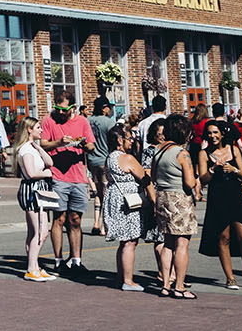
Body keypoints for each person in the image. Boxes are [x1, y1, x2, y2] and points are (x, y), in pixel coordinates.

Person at [197, 119, 242, 289]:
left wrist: (234, 170)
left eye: (215, 132)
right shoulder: (204, 153)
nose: (212, 136)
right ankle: (230, 277)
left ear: (222, 134)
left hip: (236, 196)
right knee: (224, 237)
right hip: (218, 197)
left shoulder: (234, 149)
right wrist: (212, 169)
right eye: (209, 133)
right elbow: (203, 179)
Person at [39, 101, 95, 273]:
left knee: (75, 220)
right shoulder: (49, 121)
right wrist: (59, 142)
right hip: (58, 176)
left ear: (73, 108)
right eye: (58, 109)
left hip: (78, 177)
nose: (61, 113)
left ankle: (76, 260)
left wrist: (83, 145)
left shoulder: (82, 122)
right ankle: (58, 260)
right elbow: (43, 144)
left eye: (64, 110)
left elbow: (92, 146)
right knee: (59, 218)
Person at [103, 123, 158, 292]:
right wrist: (154, 201)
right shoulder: (126, 158)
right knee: (130, 241)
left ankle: (121, 277)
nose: (132, 141)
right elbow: (145, 179)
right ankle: (128, 280)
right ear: (120, 140)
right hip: (129, 202)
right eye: (129, 138)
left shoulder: (110, 157)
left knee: (123, 241)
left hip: (115, 199)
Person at [151, 117, 199, 299]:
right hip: (179, 198)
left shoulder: (159, 151)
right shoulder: (182, 153)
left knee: (167, 243)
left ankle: (165, 284)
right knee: (182, 244)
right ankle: (179, 285)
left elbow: (154, 177)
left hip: (163, 196)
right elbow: (189, 182)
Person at [12, 116, 57, 282]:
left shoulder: (32, 148)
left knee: (34, 231)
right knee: (41, 231)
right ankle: (31, 268)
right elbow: (31, 173)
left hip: (40, 189)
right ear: (29, 129)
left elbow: (50, 162)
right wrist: (46, 173)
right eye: (38, 127)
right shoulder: (25, 150)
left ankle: (35, 266)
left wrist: (39, 148)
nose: (42, 130)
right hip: (33, 190)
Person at [85, 99, 118, 233]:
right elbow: (115, 139)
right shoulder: (109, 122)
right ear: (104, 108)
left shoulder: (88, 121)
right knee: (106, 192)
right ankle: (105, 225)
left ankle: (96, 223)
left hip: (92, 160)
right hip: (104, 160)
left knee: (98, 192)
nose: (110, 110)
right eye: (109, 107)